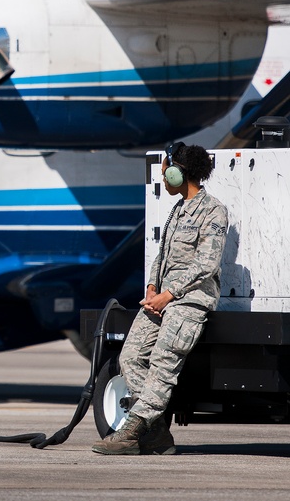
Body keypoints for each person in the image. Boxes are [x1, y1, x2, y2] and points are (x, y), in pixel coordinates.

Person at [92, 142, 228, 456]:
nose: (163, 176)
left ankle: (131, 432)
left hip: (189, 301)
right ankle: (155, 433)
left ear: (182, 173)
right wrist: (153, 286)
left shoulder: (213, 210)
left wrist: (169, 294)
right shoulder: (178, 210)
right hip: (163, 298)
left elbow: (206, 264)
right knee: (129, 358)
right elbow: (163, 255)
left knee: (162, 365)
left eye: (168, 170)